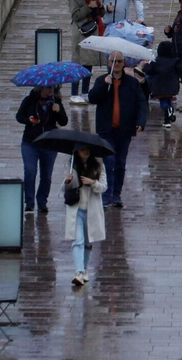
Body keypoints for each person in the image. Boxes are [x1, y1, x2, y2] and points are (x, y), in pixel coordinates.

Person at [90, 51, 147, 208]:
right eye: (114, 62)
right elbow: (92, 98)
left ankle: (117, 194)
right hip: (105, 130)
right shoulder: (102, 80)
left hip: (124, 130)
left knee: (120, 163)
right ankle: (107, 194)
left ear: (124, 63)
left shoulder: (132, 83)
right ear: (109, 63)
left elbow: (142, 103)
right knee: (109, 160)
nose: (117, 64)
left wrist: (141, 122)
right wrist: (104, 85)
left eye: (120, 61)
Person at [15, 85, 67, 214]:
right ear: (40, 89)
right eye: (48, 88)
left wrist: (59, 111)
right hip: (30, 143)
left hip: (50, 144)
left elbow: (64, 122)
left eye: (52, 89)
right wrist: (29, 120)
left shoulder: (56, 102)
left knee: (46, 176)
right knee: (30, 171)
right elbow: (19, 117)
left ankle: (42, 201)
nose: (51, 91)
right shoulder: (29, 100)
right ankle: (29, 202)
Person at [64, 143, 107, 288]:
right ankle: (79, 272)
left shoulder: (98, 166)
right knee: (77, 241)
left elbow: (104, 186)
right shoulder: (72, 166)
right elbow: (63, 188)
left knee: (88, 243)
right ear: (77, 152)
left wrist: (93, 183)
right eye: (82, 149)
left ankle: (85, 269)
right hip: (76, 210)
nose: (85, 151)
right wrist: (67, 181)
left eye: (87, 149)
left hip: (92, 211)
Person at [67, 0, 104, 104]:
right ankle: (74, 93)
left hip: (92, 31)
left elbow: (100, 14)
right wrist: (89, 6)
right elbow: (75, 15)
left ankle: (85, 92)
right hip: (81, 33)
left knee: (89, 64)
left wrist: (101, 6)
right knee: (78, 64)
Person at [148, 39, 182, 127]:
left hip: (159, 87)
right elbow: (181, 69)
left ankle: (168, 110)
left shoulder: (156, 61)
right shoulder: (175, 61)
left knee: (164, 103)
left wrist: (145, 66)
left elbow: (148, 70)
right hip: (172, 87)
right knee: (168, 100)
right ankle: (167, 121)